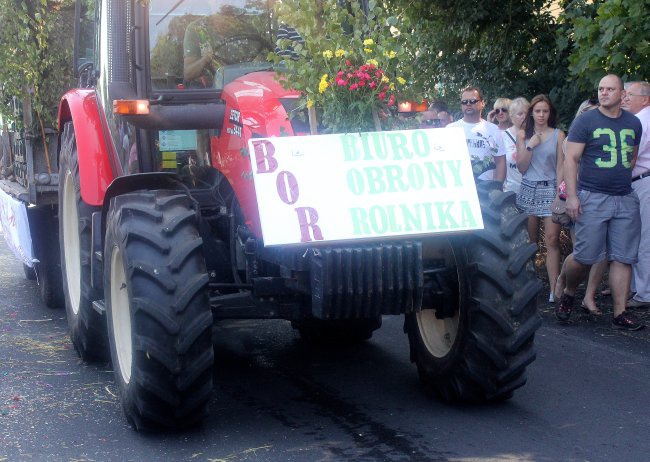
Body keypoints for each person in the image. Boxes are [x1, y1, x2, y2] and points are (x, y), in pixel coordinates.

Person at [554, 74, 643, 330]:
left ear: (622, 94)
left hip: (625, 197)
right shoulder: (586, 121)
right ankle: (569, 290)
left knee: (623, 258)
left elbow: (632, 158)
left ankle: (619, 312)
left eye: (610, 89)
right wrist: (572, 196)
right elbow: (571, 160)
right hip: (592, 196)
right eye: (601, 88)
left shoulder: (633, 123)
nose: (604, 93)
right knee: (584, 256)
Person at [516, 95, 565, 302]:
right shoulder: (522, 134)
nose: (542, 115)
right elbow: (521, 167)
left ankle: (555, 288)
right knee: (530, 241)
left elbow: (562, 166)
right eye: (537, 111)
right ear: (532, 113)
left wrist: (560, 194)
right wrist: (530, 145)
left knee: (552, 239)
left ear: (550, 113)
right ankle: (528, 284)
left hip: (550, 187)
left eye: (545, 111)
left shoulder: (558, 135)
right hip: (528, 188)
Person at [622, 81, 650, 309]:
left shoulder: (641, 120)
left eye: (630, 94)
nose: (625, 98)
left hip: (642, 181)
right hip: (642, 181)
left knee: (643, 238)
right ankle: (633, 288)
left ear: (645, 99)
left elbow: (630, 158)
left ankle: (643, 292)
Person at [448, 87, 506, 182]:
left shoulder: (493, 129)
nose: (468, 104)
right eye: (464, 102)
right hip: (459, 186)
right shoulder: (451, 129)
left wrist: (498, 186)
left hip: (486, 189)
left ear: (482, 103)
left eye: (472, 101)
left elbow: (500, 161)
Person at [502, 97, 529, 195]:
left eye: (526, 113)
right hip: (511, 191)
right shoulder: (503, 136)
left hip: (533, 191)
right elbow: (499, 164)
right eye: (520, 114)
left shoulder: (535, 135)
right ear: (512, 117)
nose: (524, 116)